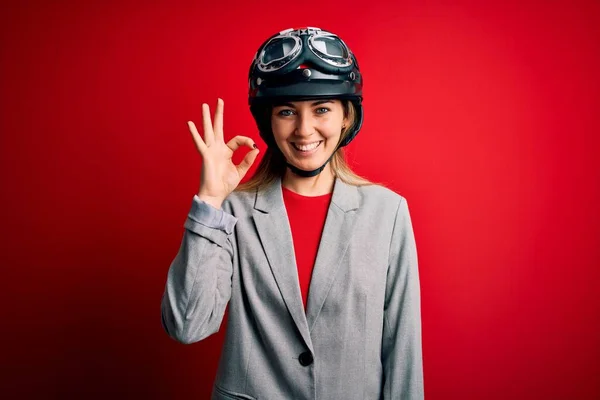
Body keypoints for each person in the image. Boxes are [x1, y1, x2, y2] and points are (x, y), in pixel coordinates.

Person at [161, 27, 424, 399]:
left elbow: (403, 350)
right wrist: (209, 201)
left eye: (321, 110)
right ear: (268, 121)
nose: (304, 130)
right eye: (287, 111)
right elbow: (187, 325)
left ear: (347, 117)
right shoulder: (231, 212)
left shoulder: (389, 213)